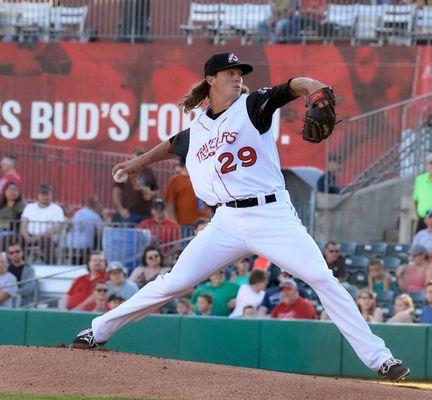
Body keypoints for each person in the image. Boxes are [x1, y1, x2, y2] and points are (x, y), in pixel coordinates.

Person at [70, 52, 409, 382]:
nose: (237, 77)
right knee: (175, 282)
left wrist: (314, 87)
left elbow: (291, 86)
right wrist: (138, 163)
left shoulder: (252, 106)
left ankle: (381, 359)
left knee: (322, 278)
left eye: (240, 73)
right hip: (225, 222)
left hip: (271, 215)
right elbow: (176, 143)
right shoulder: (200, 126)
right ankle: (97, 331)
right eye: (229, 73)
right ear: (211, 80)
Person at [20, 184, 65, 263]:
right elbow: (23, 224)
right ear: (38, 195)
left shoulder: (57, 209)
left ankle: (50, 267)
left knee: (47, 241)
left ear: (51, 195)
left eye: (47, 194)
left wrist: (38, 237)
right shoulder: (29, 207)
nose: (44, 197)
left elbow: (56, 228)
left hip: (47, 237)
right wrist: (26, 236)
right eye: (42, 194)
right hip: (29, 236)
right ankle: (15, 265)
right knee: (10, 239)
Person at [112, 149, 159, 224]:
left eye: (142, 158)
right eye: (137, 158)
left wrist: (151, 193)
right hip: (129, 214)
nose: (139, 161)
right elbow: (116, 192)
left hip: (146, 214)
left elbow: (157, 191)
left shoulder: (149, 172)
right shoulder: (125, 171)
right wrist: (121, 210)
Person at [164, 159, 209, 226]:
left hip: (202, 223)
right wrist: (173, 222)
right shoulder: (175, 180)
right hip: (183, 224)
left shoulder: (202, 178)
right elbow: (170, 203)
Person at [64, 196, 104, 264]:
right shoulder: (95, 216)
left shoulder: (78, 213)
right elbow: (102, 231)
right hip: (85, 246)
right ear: (95, 205)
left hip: (70, 244)